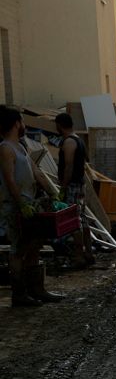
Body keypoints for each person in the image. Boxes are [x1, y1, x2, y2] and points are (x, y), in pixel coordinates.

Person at [0, 106, 63, 307]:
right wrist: (21, 203)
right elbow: (9, 179)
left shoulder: (21, 147)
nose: (24, 125)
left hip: (30, 203)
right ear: (17, 123)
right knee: (19, 249)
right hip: (16, 207)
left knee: (34, 245)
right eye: (22, 121)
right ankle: (19, 293)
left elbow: (37, 172)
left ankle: (37, 289)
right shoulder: (5, 148)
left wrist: (54, 192)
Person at [54, 113, 95, 268]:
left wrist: (63, 187)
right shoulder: (78, 139)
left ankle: (79, 256)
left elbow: (69, 166)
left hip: (73, 186)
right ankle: (88, 253)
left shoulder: (69, 142)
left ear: (59, 125)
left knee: (74, 221)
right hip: (80, 185)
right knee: (82, 219)